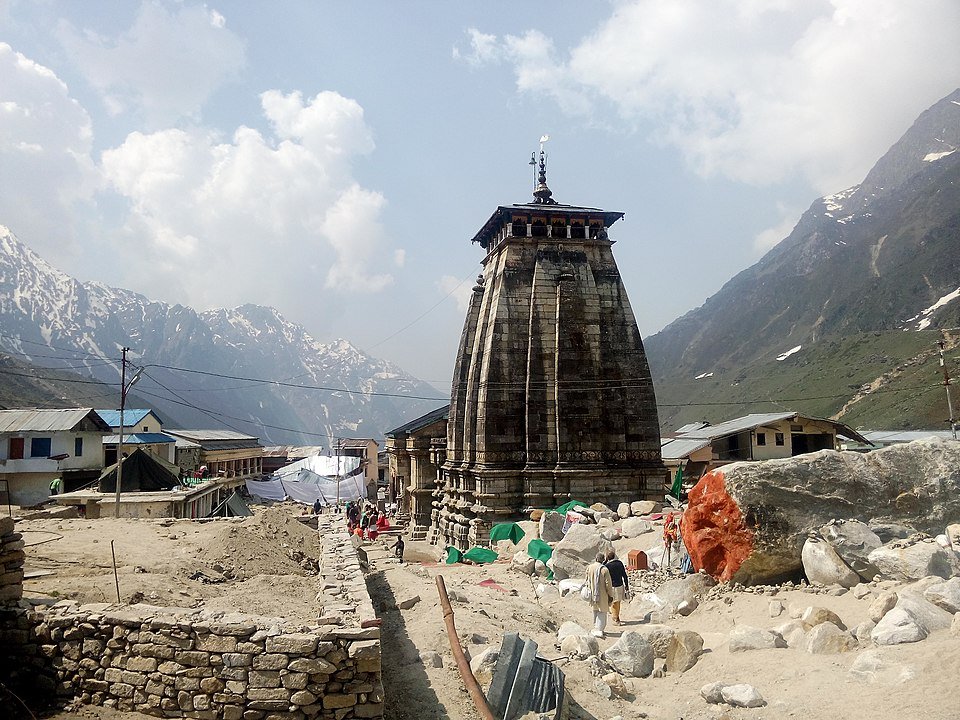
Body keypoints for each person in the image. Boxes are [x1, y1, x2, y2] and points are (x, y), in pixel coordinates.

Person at [584, 552, 614, 638]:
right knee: (602, 612)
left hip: (593, 593)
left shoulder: (590, 567)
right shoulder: (604, 569)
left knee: (595, 610)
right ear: (603, 559)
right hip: (602, 594)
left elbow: (587, 579)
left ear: (596, 559)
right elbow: (608, 584)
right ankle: (600, 630)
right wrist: (610, 595)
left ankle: (596, 628)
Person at [605, 548, 630, 625]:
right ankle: (616, 616)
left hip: (612, 586)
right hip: (620, 585)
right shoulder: (619, 563)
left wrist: (605, 560)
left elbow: (601, 568)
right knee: (618, 602)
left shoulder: (607, 566)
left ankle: (616, 618)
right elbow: (624, 575)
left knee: (613, 602)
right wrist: (626, 585)